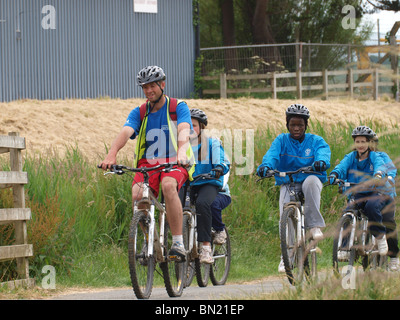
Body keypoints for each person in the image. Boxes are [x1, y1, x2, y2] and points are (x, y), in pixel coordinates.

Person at [99, 65, 195, 261]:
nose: (148, 90)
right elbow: (126, 131)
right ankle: (148, 239)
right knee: (137, 194)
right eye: (144, 87)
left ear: (162, 84)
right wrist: (111, 154)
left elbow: (184, 128)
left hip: (175, 161)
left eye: (152, 86)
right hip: (148, 163)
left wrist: (183, 151)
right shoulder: (140, 112)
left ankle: (177, 242)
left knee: (168, 186)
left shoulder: (177, 107)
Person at [256, 104, 331, 273]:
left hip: (310, 178)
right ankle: (287, 257)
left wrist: (321, 162)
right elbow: (272, 155)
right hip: (288, 181)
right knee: (285, 215)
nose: (296, 128)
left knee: (311, 182)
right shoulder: (281, 140)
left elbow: (323, 153)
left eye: (300, 125)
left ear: (306, 125)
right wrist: (265, 166)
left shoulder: (316, 141)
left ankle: (314, 226)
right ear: (287, 125)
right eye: (293, 125)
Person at [329, 125, 388, 258]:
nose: (360, 145)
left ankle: (380, 237)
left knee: (371, 208)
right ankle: (344, 247)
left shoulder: (374, 156)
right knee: (348, 212)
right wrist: (334, 174)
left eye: (363, 142)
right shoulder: (351, 157)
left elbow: (380, 166)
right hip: (357, 192)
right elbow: (342, 166)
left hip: (374, 192)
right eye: (357, 142)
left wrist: (378, 175)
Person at [188, 108, 230, 263]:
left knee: (202, 203)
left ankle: (206, 247)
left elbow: (222, 160)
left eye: (194, 125)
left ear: (202, 128)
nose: (190, 129)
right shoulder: (181, 146)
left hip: (208, 182)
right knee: (174, 204)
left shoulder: (212, 143)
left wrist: (218, 168)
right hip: (189, 184)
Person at [369, 132, 398, 270]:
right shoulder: (356, 159)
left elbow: (391, 170)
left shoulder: (382, 156)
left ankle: (393, 257)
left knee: (388, 222)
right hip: (366, 195)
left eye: (371, 142)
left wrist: (390, 179)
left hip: (385, 195)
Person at [211, 170, 231, 245]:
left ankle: (219, 229)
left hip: (221, 192)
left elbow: (225, 171)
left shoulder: (221, 159)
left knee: (212, 203)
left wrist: (221, 184)